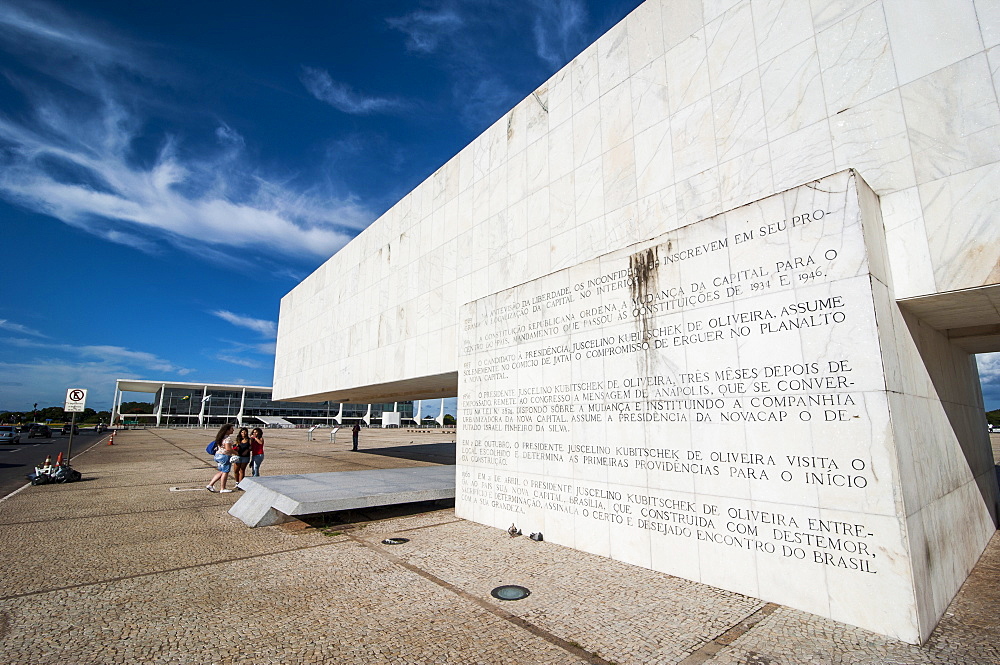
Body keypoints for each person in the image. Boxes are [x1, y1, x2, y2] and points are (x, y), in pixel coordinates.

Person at [206, 423, 235, 493]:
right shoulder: (227, 438)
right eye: (231, 429)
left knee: (221, 471)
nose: (233, 430)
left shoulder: (220, 437)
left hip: (218, 455)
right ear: (227, 430)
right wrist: (236, 453)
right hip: (224, 456)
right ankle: (223, 488)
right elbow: (228, 449)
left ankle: (210, 484)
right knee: (225, 472)